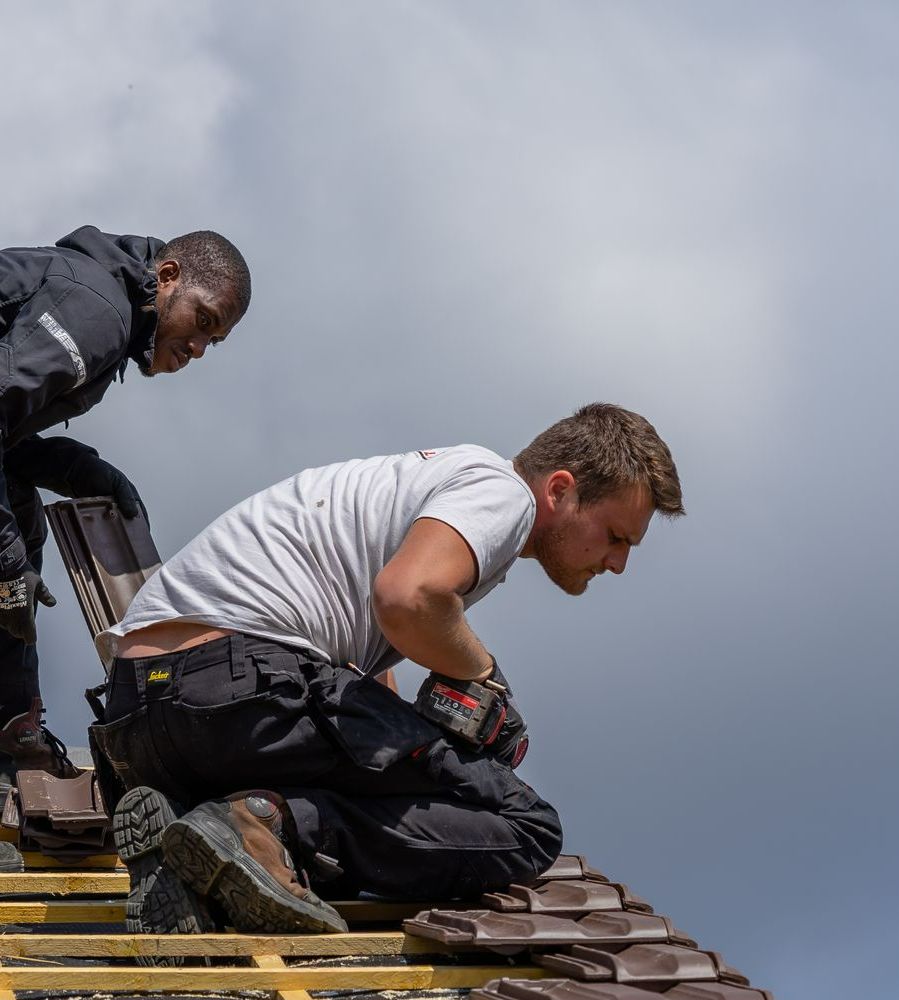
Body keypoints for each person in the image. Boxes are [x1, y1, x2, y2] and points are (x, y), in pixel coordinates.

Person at [93, 403, 684, 940]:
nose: (619, 563)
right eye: (614, 536)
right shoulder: (501, 493)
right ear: (559, 489)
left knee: (374, 821)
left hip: (140, 723)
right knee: (522, 823)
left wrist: (408, 734)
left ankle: (196, 860)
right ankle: (263, 825)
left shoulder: (424, 487)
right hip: (238, 687)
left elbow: (360, 670)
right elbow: (408, 598)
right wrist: (485, 680)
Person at [0, 225, 251, 784]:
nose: (198, 349)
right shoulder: (97, 313)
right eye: (203, 321)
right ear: (167, 278)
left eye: (215, 341)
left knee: (17, 512)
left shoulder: (97, 303)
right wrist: (7, 564)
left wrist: (72, 467)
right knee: (10, 544)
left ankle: (14, 740)